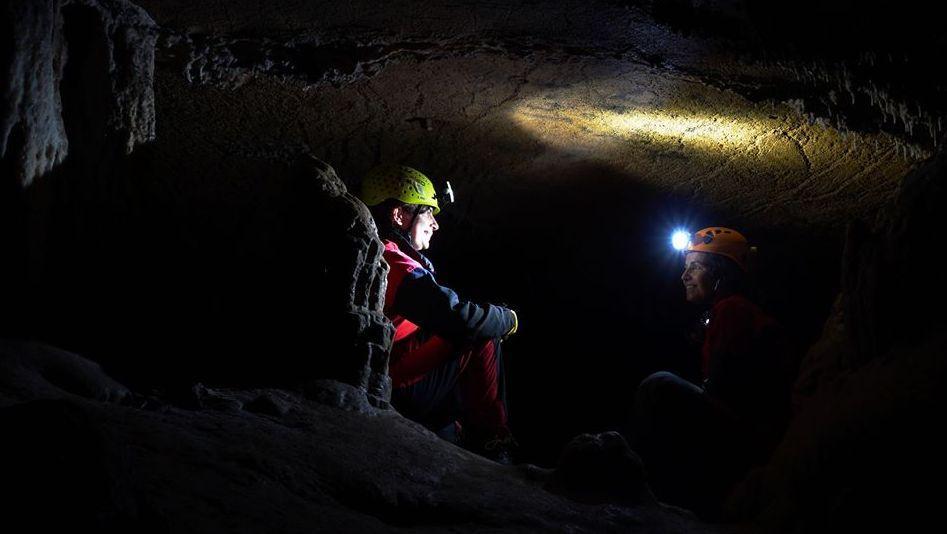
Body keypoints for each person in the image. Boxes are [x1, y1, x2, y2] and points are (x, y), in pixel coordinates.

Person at [359, 164, 519, 463]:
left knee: (457, 331)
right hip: (392, 386)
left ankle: (449, 426)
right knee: (480, 333)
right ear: (399, 215)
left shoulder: (388, 254)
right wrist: (508, 320)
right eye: (428, 213)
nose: (435, 224)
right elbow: (457, 316)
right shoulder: (394, 262)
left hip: (394, 370)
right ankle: (492, 440)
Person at [630, 227, 791, 519]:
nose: (684, 276)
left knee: (659, 386)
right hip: (746, 434)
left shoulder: (733, 310)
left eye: (695, 267)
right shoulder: (728, 311)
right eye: (685, 267)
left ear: (721, 274)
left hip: (744, 438)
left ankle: (649, 487)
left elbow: (723, 390)